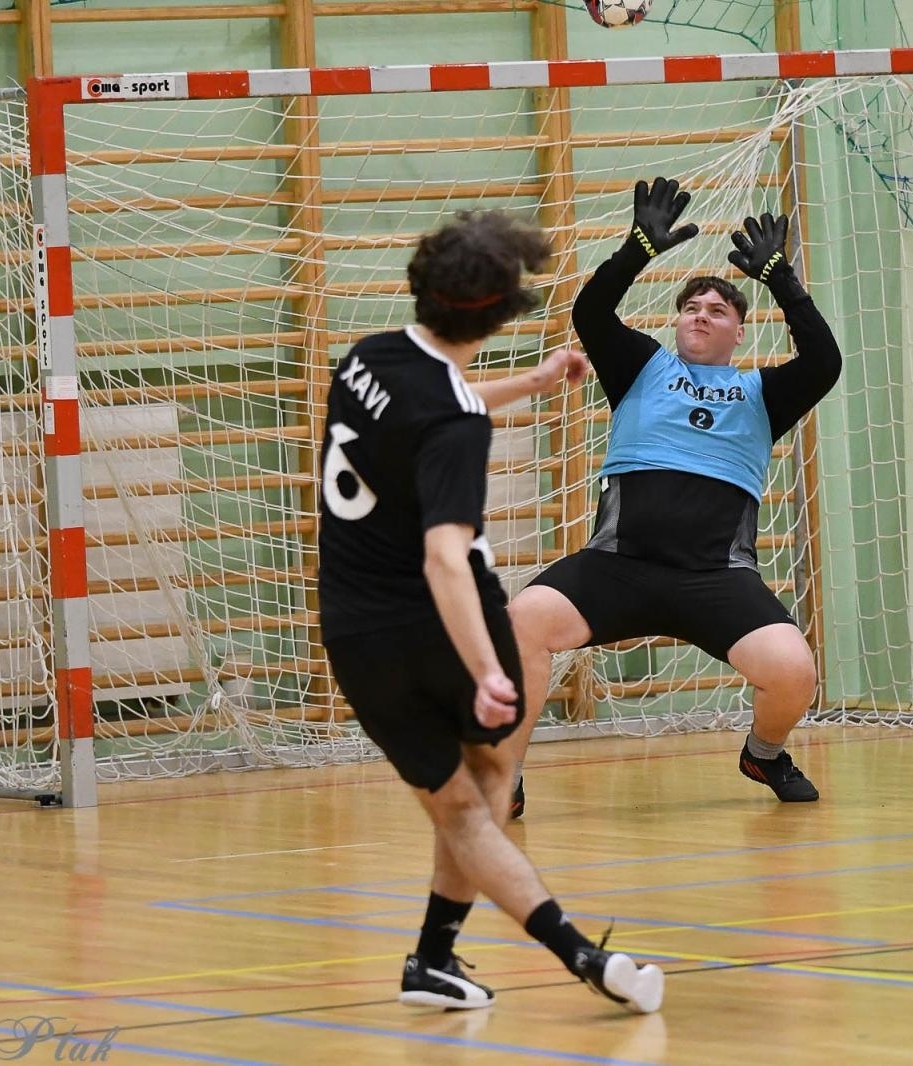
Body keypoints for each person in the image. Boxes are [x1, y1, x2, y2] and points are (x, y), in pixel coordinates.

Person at [318, 210, 664, 1014]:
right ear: (505, 310)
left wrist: (533, 383)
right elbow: (444, 556)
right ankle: (583, 957)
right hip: (441, 624)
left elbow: (433, 404)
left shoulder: (368, 358)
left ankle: (434, 961)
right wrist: (483, 669)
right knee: (483, 793)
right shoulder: (457, 423)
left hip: (354, 633)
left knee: (462, 797)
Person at [508, 177, 843, 812]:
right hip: (618, 568)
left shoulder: (762, 394)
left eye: (718, 309)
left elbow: (824, 362)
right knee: (522, 620)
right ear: (677, 321)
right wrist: (638, 248)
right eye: (692, 307)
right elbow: (591, 313)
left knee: (793, 671)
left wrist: (784, 282)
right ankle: (507, 772)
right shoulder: (644, 367)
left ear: (739, 332)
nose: (701, 314)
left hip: (714, 577)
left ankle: (763, 755)